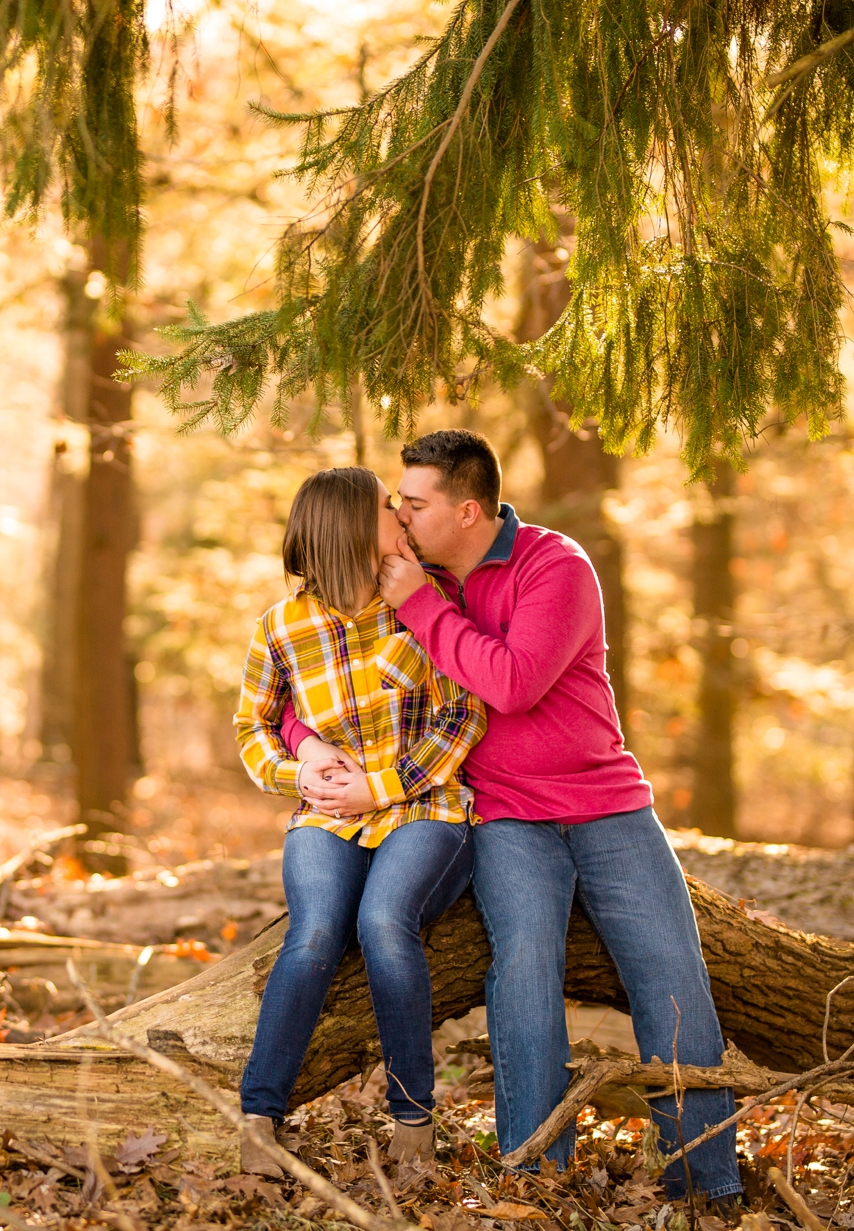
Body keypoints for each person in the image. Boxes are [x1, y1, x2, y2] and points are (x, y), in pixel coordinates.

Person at [284, 430, 743, 1207]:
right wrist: (305, 744)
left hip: (608, 806)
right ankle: (534, 1173)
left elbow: (515, 682)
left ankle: (705, 1181)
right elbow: (309, 665)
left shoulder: (552, 565)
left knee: (672, 977)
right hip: (503, 815)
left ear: (468, 511)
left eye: (415, 502)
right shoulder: (407, 573)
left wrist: (421, 607)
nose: (398, 512)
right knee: (524, 969)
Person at [233, 466, 486, 1178]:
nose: (400, 513)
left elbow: (462, 713)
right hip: (327, 816)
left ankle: (412, 1118)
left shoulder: (424, 599)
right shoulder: (281, 627)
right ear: (350, 524)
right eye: (385, 505)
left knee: (383, 921)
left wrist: (382, 785)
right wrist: (298, 771)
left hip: (423, 807)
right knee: (313, 933)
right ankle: (259, 1117)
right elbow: (251, 728)